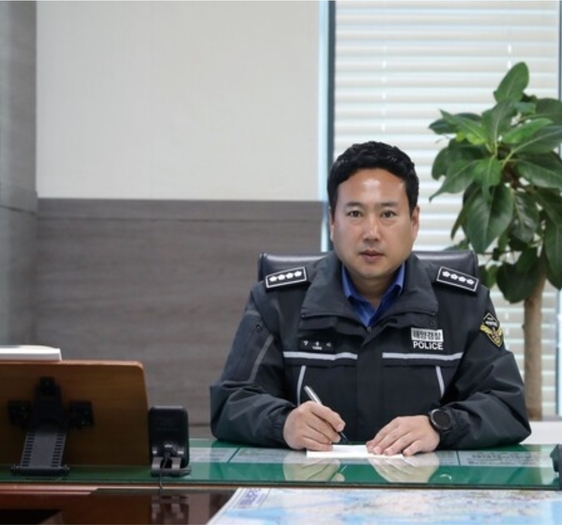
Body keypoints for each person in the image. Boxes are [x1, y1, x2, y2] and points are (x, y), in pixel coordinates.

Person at [210, 141, 530, 456]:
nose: (372, 232)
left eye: (388, 214)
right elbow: (231, 402)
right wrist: (283, 423)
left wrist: (439, 426)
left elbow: (507, 406)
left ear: (414, 221)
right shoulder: (279, 301)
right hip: (311, 487)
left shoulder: (463, 304)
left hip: (425, 487)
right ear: (332, 221)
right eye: (355, 213)